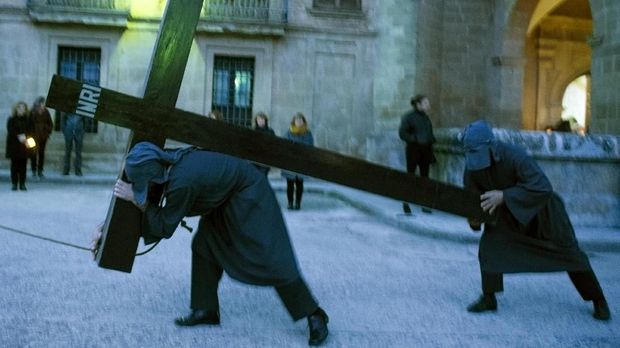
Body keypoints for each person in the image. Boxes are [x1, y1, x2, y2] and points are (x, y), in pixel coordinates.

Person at [94, 141, 329, 346]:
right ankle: (205, 309)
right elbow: (156, 207)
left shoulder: (182, 182)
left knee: (271, 256)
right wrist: (107, 228)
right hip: (225, 198)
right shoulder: (164, 161)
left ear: (151, 176)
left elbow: (165, 226)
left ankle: (314, 314)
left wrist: (139, 201)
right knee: (204, 246)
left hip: (249, 193)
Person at [460, 120, 610, 321]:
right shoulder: (472, 167)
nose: (475, 160)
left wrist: (505, 196)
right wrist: (474, 221)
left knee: (570, 255)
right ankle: (489, 298)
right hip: (507, 216)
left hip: (544, 214)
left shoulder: (515, 156)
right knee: (489, 247)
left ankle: (598, 300)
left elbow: (543, 187)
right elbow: (473, 201)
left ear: (491, 146)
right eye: (471, 154)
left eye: (478, 153)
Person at [398, 94, 436, 214]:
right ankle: (406, 203)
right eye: (425, 103)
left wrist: (431, 150)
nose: (428, 105)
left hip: (425, 151)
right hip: (413, 151)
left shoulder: (426, 118)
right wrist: (415, 139)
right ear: (418, 104)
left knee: (425, 178)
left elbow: (429, 134)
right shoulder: (408, 117)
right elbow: (402, 133)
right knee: (410, 177)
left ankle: (424, 204)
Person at [281, 113, 314, 210]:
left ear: (303, 122)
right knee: (290, 184)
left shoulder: (308, 133)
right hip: (290, 162)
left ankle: (298, 203)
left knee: (300, 184)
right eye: (297, 120)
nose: (299, 122)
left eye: (300, 120)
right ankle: (290, 203)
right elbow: (284, 145)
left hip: (301, 163)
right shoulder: (288, 132)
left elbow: (310, 147)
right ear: (294, 121)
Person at [5, 101, 32, 191]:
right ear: (16, 109)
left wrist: (26, 137)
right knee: (14, 165)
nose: (21, 109)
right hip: (14, 145)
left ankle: (22, 183)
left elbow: (31, 131)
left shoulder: (28, 119)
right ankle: (14, 183)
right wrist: (18, 136)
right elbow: (10, 130)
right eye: (19, 108)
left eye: (23, 108)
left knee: (23, 166)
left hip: (24, 145)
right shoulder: (11, 119)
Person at [28, 96, 53, 179]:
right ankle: (34, 171)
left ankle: (40, 171)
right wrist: (29, 135)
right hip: (33, 136)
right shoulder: (32, 112)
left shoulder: (46, 112)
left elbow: (50, 123)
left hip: (43, 136)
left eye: (43, 103)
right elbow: (28, 124)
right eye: (41, 103)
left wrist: (47, 132)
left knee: (41, 154)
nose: (43, 104)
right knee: (33, 153)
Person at [251, 112, 276, 176]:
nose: (261, 121)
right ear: (256, 120)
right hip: (254, 158)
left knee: (263, 176)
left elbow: (274, 144)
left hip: (265, 158)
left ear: (265, 121)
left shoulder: (270, 131)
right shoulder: (252, 130)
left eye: (262, 119)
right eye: (259, 119)